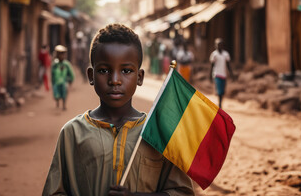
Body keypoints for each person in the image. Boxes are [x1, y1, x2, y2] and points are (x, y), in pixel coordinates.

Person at [42, 23, 194, 196]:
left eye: (126, 70)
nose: (115, 80)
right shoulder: (72, 133)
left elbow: (182, 192)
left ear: (140, 77)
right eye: (104, 70)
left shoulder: (158, 134)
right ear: (91, 76)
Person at [209, 38, 234, 109]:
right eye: (218, 45)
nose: (219, 46)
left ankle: (220, 102)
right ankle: (219, 104)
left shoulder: (226, 54)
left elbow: (228, 65)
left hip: (224, 74)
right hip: (216, 74)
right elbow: (212, 66)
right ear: (215, 46)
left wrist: (232, 75)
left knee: (222, 91)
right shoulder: (214, 54)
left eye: (220, 45)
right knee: (219, 91)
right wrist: (210, 75)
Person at [51, 45, 75, 110]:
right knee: (56, 94)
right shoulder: (55, 64)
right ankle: (57, 103)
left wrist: (70, 80)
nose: (61, 56)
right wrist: (52, 82)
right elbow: (52, 74)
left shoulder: (66, 64)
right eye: (59, 54)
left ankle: (64, 105)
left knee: (64, 94)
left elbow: (71, 74)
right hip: (56, 82)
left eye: (62, 54)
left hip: (64, 82)